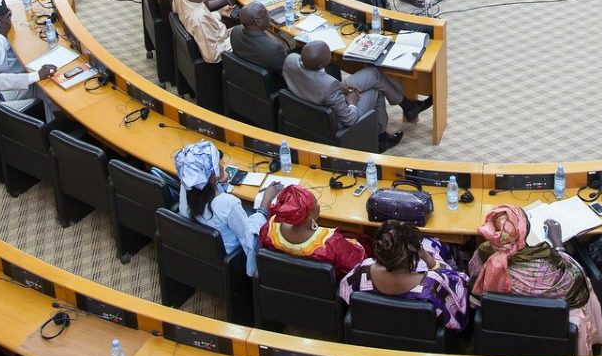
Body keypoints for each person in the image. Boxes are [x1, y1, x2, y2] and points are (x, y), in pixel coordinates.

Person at [470, 206, 602, 354]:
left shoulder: (482, 255)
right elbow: (576, 277)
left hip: (500, 327)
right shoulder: (548, 266)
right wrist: (558, 244)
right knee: (585, 285)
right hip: (548, 328)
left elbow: (473, 283)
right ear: (524, 231)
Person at [285, 39, 424, 150]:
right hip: (332, 115)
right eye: (328, 54)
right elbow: (349, 119)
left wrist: (340, 86)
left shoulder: (290, 59)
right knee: (375, 92)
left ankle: (407, 105)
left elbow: (313, 79)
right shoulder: (329, 85)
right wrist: (351, 102)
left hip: (317, 95)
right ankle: (381, 138)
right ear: (320, 65)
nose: (330, 54)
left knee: (373, 73)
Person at [340, 220, 471, 331]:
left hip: (373, 335)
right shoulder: (432, 283)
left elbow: (344, 293)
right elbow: (461, 288)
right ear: (415, 253)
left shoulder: (363, 270)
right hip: (422, 346)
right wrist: (427, 258)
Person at [172, 141, 270, 276]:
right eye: (217, 163)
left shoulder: (187, 186)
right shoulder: (227, 204)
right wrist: (264, 208)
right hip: (230, 260)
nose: (221, 164)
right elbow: (250, 242)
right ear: (212, 175)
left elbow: (206, 196)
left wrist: (220, 182)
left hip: (201, 253)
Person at [262, 183, 368, 278]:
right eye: (316, 202)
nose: (318, 205)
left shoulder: (269, 230)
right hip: (328, 289)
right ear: (310, 215)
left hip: (287, 282)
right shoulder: (330, 243)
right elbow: (358, 261)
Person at [173, 0, 240, 65]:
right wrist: (236, 39)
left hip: (213, 35)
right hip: (219, 52)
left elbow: (197, 17)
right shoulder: (199, 19)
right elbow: (212, 56)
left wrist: (219, 13)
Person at [229, 2, 295, 72]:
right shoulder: (274, 49)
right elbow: (286, 73)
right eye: (266, 12)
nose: (269, 14)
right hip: (272, 80)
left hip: (246, 75)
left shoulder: (235, 31)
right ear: (258, 21)